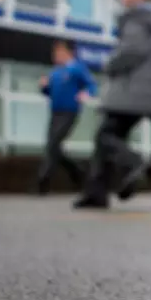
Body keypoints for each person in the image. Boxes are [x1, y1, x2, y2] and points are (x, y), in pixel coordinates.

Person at [74, 0, 151, 209]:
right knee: (108, 137)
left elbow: (131, 51)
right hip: (147, 93)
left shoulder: (138, 18)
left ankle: (134, 164)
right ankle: (97, 192)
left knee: (106, 135)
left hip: (132, 91)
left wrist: (109, 64)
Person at [35, 39, 98, 194]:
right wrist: (43, 87)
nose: (55, 56)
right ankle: (77, 171)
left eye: (58, 52)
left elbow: (91, 84)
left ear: (68, 53)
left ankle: (42, 182)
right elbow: (49, 92)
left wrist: (86, 93)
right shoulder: (55, 72)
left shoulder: (77, 68)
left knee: (54, 143)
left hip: (69, 112)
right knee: (52, 145)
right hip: (55, 112)